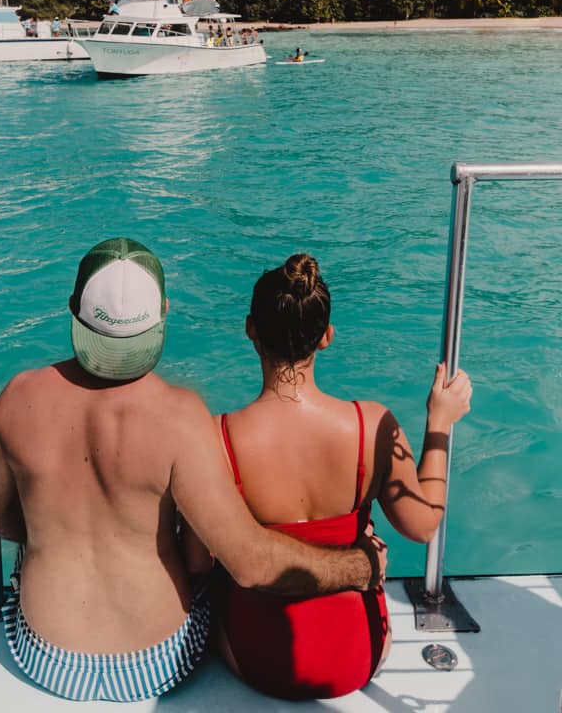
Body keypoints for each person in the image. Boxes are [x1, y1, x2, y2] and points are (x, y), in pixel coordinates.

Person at [0, 238, 386, 703]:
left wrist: (57, 529)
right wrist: (359, 566)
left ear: (73, 308)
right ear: (163, 313)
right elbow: (247, 564)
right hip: (156, 662)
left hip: (47, 656)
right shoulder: (181, 417)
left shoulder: (17, 396)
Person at [196, 253, 472, 701]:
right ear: (326, 337)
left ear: (250, 330)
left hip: (259, 657)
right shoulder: (370, 425)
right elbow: (423, 526)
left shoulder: (217, 436)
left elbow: (202, 559)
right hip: (359, 652)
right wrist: (438, 424)